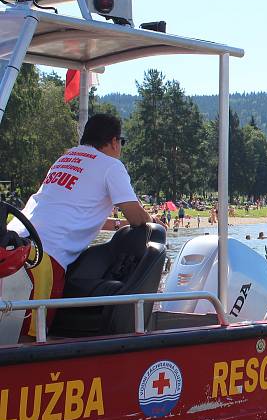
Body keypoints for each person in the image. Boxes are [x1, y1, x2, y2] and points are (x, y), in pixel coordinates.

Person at [7, 113, 158, 340]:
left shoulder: (64, 160)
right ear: (115, 141)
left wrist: (118, 224)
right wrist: (153, 221)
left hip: (11, 245)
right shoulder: (110, 166)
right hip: (44, 258)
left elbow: (70, 211)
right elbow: (137, 217)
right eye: (121, 143)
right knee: (28, 340)